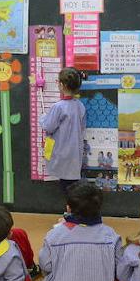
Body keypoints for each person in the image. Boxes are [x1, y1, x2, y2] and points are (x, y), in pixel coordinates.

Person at [37, 181, 122, 281]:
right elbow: (119, 270)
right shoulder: (111, 235)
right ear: (99, 207)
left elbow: (46, 266)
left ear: (68, 208)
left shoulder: (54, 235)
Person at [39, 67, 86, 197]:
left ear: (62, 85)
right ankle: (73, 213)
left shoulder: (58, 107)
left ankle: (71, 214)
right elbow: (82, 127)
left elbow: (48, 126)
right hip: (75, 153)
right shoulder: (80, 106)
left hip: (62, 153)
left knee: (67, 189)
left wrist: (43, 117)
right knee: (73, 186)